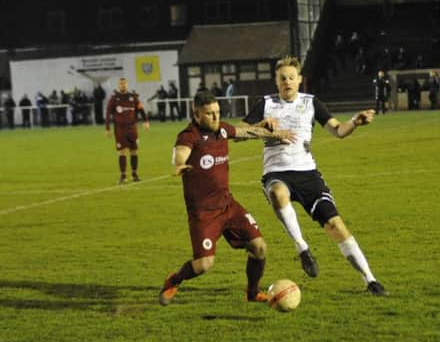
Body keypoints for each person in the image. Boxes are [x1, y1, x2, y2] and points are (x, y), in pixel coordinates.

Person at [242, 55, 388, 296]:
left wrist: (355, 121)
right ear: (276, 82)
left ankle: (370, 280)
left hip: (308, 174)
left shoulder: (311, 103)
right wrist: (261, 127)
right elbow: (238, 133)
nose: (287, 82)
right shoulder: (266, 104)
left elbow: (338, 130)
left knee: (335, 226)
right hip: (276, 172)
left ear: (299, 80)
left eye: (291, 77)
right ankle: (303, 249)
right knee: (278, 193)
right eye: (282, 78)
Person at [158, 91, 296, 306]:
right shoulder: (189, 135)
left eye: (217, 112)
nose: (215, 117)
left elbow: (244, 132)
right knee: (204, 265)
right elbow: (180, 152)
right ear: (196, 114)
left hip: (228, 205)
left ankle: (252, 293)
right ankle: (174, 280)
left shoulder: (221, 129)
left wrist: (270, 131)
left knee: (259, 248)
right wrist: (180, 163)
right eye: (209, 113)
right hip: (203, 213)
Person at [105, 77, 150, 184]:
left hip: (132, 128)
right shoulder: (114, 98)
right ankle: (123, 176)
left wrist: (146, 121)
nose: (122, 85)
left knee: (134, 151)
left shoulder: (133, 97)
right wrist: (107, 128)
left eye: (124, 84)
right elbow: (108, 113)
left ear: (127, 85)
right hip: (120, 129)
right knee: (122, 152)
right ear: (118, 85)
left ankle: (134, 174)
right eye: (121, 84)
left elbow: (141, 110)